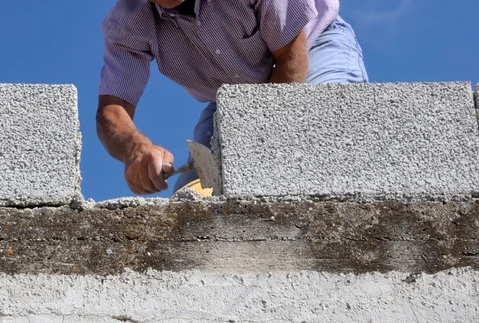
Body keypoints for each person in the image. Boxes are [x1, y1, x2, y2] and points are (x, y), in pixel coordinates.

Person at [96, 0, 368, 195]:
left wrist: (251, 143)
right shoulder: (128, 22)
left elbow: (290, 58)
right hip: (232, 98)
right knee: (192, 206)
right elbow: (112, 110)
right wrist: (136, 151)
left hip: (310, 48)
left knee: (327, 136)